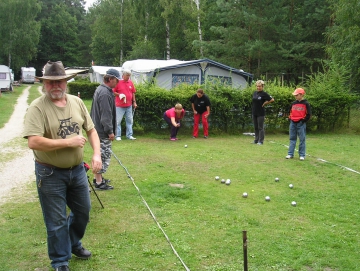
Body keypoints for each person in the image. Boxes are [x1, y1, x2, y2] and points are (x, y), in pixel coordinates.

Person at [22, 61, 103, 271]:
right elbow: (34, 141)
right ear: (44, 83)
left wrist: (96, 154)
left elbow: (91, 130)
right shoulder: (37, 107)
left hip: (77, 171)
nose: (55, 86)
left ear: (66, 82)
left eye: (59, 82)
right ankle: (60, 261)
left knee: (83, 211)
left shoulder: (77, 102)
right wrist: (68, 142)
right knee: (56, 220)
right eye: (50, 82)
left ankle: (73, 243)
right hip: (49, 173)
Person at [90, 69, 120, 190]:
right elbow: (106, 115)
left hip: (98, 130)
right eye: (116, 80)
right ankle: (98, 182)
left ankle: (99, 178)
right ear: (110, 79)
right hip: (102, 132)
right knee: (102, 155)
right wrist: (110, 131)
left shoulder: (102, 90)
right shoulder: (105, 93)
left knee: (101, 154)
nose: (117, 83)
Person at [286, 88, 311, 160]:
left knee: (302, 139)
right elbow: (290, 112)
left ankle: (302, 155)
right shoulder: (293, 103)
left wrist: (303, 121)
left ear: (301, 95)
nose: (295, 96)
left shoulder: (306, 103)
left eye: (297, 95)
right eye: (295, 95)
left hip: (301, 123)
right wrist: (290, 118)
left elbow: (309, 114)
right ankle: (290, 154)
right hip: (293, 122)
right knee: (292, 138)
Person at [113, 69, 137, 140]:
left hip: (129, 105)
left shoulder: (130, 82)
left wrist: (134, 102)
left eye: (129, 75)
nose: (128, 77)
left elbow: (133, 92)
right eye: (127, 75)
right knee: (118, 121)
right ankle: (118, 136)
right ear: (123, 75)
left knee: (130, 120)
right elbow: (113, 92)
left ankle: (129, 135)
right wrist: (120, 94)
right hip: (119, 105)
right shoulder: (118, 82)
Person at [251, 80, 274, 145]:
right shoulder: (255, 93)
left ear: (262, 86)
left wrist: (265, 103)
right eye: (257, 86)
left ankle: (261, 141)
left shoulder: (264, 94)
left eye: (260, 86)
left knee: (260, 127)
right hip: (254, 112)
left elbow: (272, 99)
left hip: (260, 113)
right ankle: (256, 139)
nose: (258, 87)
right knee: (255, 127)